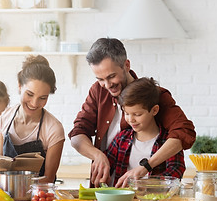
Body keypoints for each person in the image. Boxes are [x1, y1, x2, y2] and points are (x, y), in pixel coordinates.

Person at [68, 38, 196, 187]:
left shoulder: (153, 95)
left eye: (111, 76)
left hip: (146, 192)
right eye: (100, 79)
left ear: (126, 65)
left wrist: (146, 167)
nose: (107, 85)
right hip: (107, 188)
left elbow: (184, 131)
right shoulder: (98, 90)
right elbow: (77, 134)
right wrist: (97, 155)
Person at [0, 55, 65, 183]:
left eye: (42, 98)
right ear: (19, 86)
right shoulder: (4, 117)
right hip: (5, 197)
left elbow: (49, 179)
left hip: (38, 198)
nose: (34, 103)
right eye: (30, 94)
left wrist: (20, 189)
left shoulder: (53, 129)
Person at [106, 77, 185, 188]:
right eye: (126, 113)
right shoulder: (121, 139)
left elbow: (176, 173)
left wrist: (145, 183)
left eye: (137, 114)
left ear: (154, 110)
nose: (131, 119)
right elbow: (106, 166)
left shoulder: (168, 142)